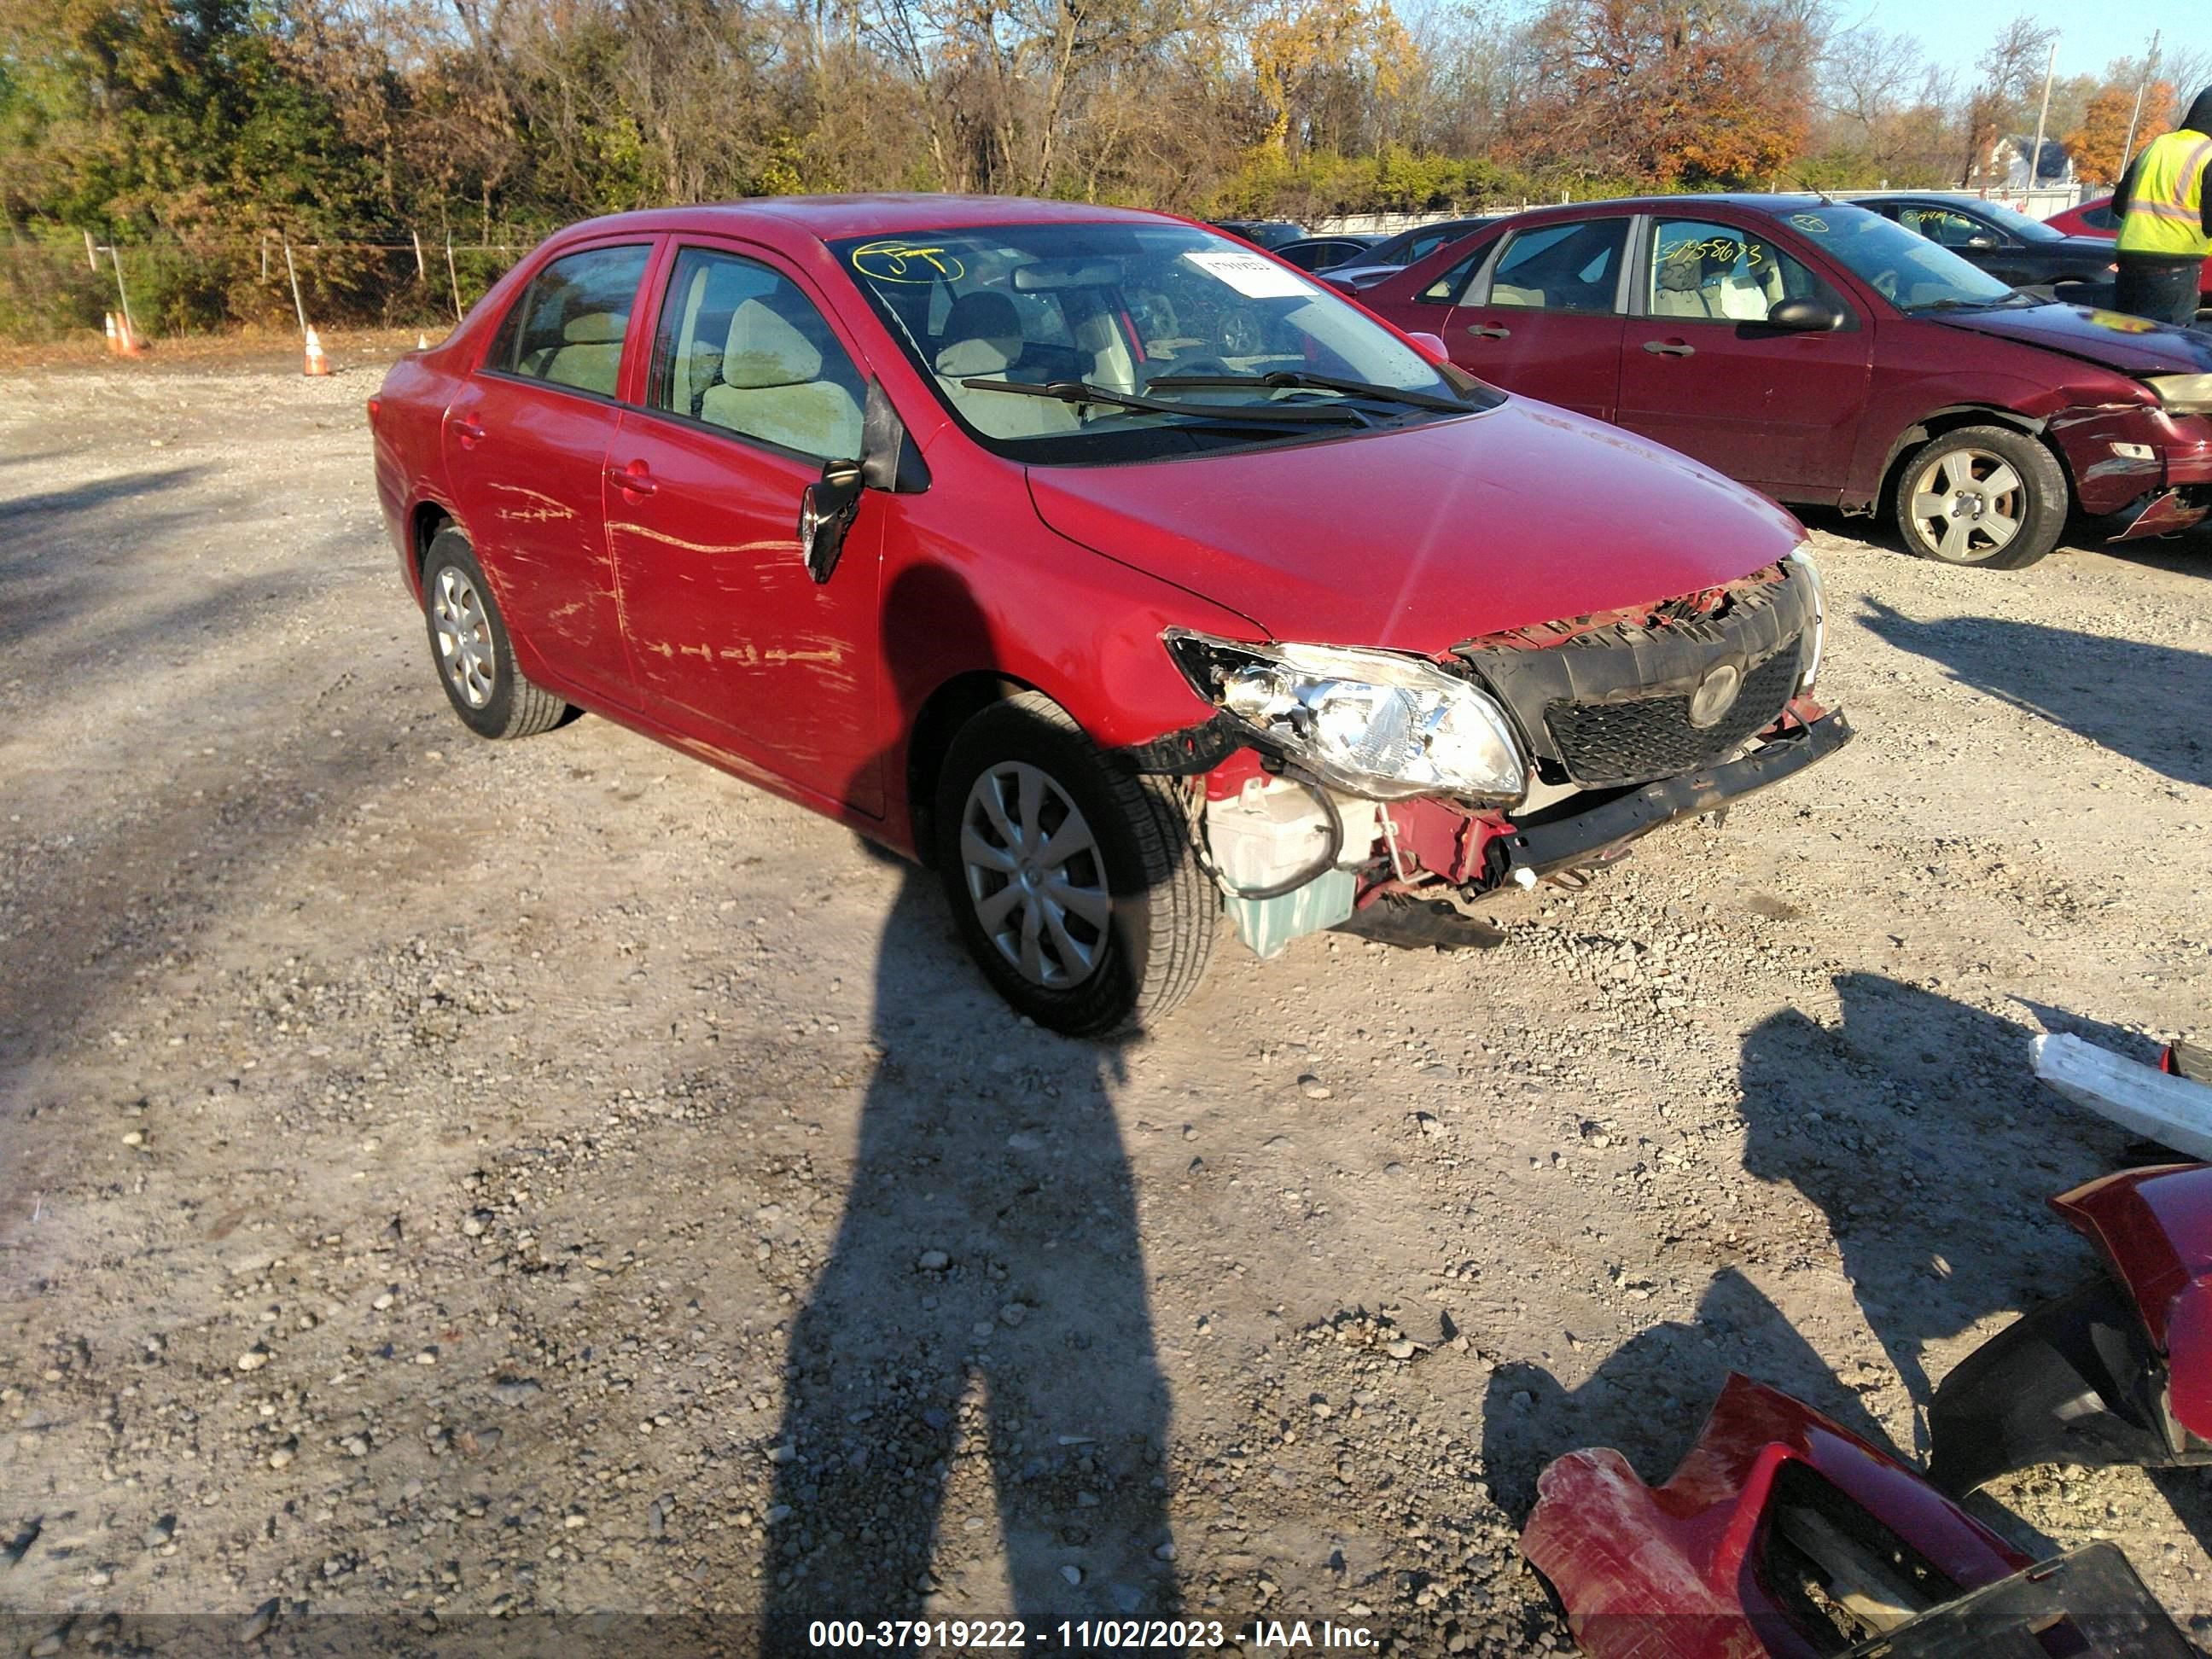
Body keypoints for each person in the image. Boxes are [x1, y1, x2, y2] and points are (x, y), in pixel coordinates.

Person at [2112, 85, 2212, 325]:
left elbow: (2118, 205)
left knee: (2124, 346)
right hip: (2174, 271)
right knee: (2166, 350)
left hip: (2129, 267)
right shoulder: (2208, 154)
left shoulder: (2157, 145)